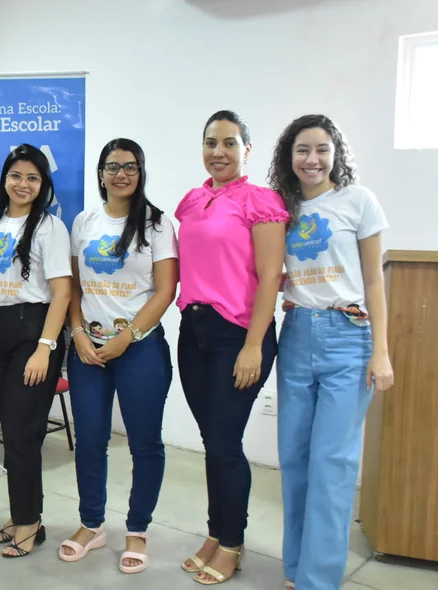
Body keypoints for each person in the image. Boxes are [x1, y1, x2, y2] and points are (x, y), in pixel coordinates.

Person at [267, 114, 394, 590]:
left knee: (332, 463)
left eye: (322, 149)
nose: (312, 159)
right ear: (289, 156)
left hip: (349, 336)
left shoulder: (358, 201)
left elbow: (374, 282)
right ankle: (296, 570)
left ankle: (319, 580)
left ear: (335, 153)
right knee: (295, 458)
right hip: (298, 332)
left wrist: (380, 352)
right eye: (303, 150)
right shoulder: (284, 207)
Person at [175, 110, 289, 585]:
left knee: (224, 444)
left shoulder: (260, 202)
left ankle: (232, 543)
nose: (218, 152)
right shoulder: (192, 200)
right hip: (192, 330)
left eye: (228, 143)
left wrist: (254, 345)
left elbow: (269, 280)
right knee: (213, 443)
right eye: (209, 142)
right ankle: (216, 533)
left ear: (247, 149)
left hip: (237, 335)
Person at [58, 138, 178, 574]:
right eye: (113, 166)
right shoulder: (84, 221)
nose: (121, 174)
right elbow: (72, 286)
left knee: (144, 443)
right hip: (88, 349)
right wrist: (76, 333)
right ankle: (92, 524)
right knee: (90, 440)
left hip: (140, 348)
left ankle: (137, 529)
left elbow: (166, 290)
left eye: (130, 166)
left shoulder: (158, 224)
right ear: (101, 172)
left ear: (141, 171)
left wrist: (128, 336)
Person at [0, 143, 72, 559]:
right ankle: (22, 513)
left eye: (33, 178)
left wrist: (45, 348)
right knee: (14, 433)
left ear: (42, 185)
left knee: (24, 434)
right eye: (16, 176)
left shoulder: (50, 228)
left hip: (33, 331)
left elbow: (62, 292)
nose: (23, 184)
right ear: (4, 179)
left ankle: (29, 522)